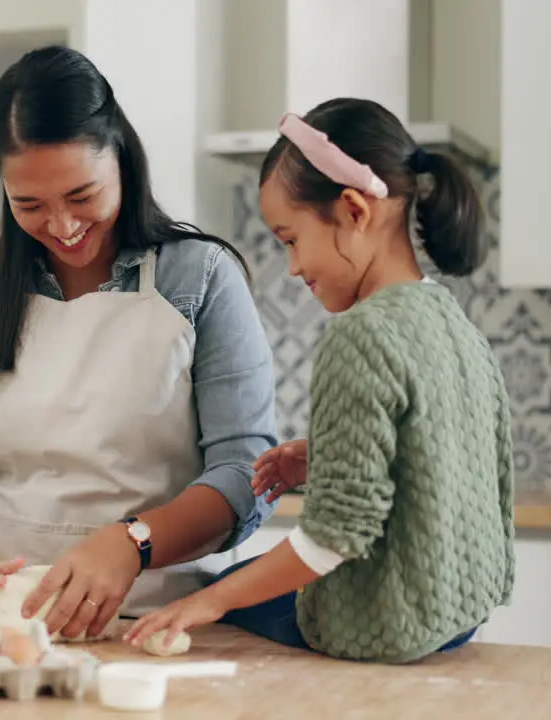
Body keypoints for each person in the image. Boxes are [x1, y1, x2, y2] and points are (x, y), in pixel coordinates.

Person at [0, 45, 278, 641]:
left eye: (82, 196)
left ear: (121, 156)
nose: (62, 226)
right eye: (29, 204)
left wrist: (133, 542)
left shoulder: (202, 278)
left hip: (165, 625)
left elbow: (247, 473)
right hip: (10, 625)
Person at [125, 98, 516, 664]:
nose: (293, 267)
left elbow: (337, 536)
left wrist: (207, 603)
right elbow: (447, 454)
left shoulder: (362, 334)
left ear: (356, 211)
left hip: (384, 618)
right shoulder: (449, 319)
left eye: (290, 239)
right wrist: (327, 461)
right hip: (455, 615)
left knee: (211, 598)